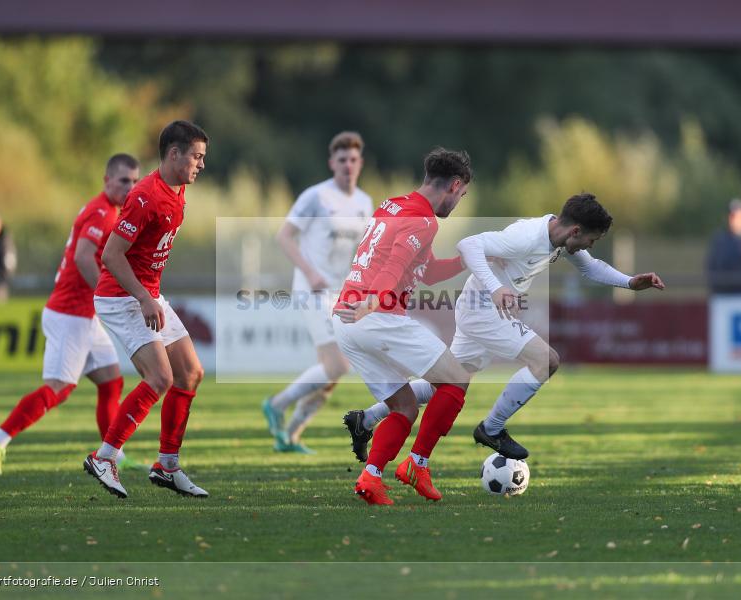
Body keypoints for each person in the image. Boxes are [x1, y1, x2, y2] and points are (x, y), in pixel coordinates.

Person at [345, 194, 665, 462]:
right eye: (591, 240)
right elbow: (469, 244)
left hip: (481, 309)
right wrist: (496, 288)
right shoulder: (526, 237)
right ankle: (492, 428)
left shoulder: (560, 237)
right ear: (576, 231)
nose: (589, 247)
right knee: (547, 360)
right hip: (484, 310)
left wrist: (629, 282)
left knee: (447, 382)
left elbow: (591, 267)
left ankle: (366, 419)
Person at [0, 154, 141, 476]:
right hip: (70, 315)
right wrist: (106, 295)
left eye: (135, 181)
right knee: (59, 388)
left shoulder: (108, 210)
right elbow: (82, 257)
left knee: (111, 380)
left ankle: (112, 455)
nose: (130, 187)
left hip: (83, 315)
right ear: (107, 180)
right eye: (124, 180)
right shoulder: (102, 212)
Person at [332, 147, 474, 505]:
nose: (457, 204)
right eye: (462, 196)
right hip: (374, 315)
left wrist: (464, 262)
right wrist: (373, 301)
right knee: (456, 379)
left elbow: (425, 272)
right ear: (454, 186)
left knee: (405, 407)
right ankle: (417, 465)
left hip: (345, 320)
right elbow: (392, 268)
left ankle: (371, 478)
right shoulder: (424, 221)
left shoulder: (392, 205)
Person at [83, 120, 209, 499]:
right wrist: (142, 297)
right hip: (122, 298)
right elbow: (110, 254)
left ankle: (167, 466)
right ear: (174, 154)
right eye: (197, 157)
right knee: (160, 379)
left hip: (148, 295)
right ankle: (105, 457)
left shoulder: (179, 189)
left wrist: (149, 295)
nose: (201, 164)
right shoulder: (145, 197)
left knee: (190, 373)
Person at [262, 132, 373, 453]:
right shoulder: (316, 197)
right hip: (312, 290)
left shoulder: (364, 202)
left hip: (341, 293)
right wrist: (310, 272)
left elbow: (362, 252)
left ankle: (291, 435)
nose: (348, 166)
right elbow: (284, 236)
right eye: (342, 160)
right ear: (331, 163)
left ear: (360, 163)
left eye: (353, 160)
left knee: (332, 373)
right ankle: (276, 405)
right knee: (338, 364)